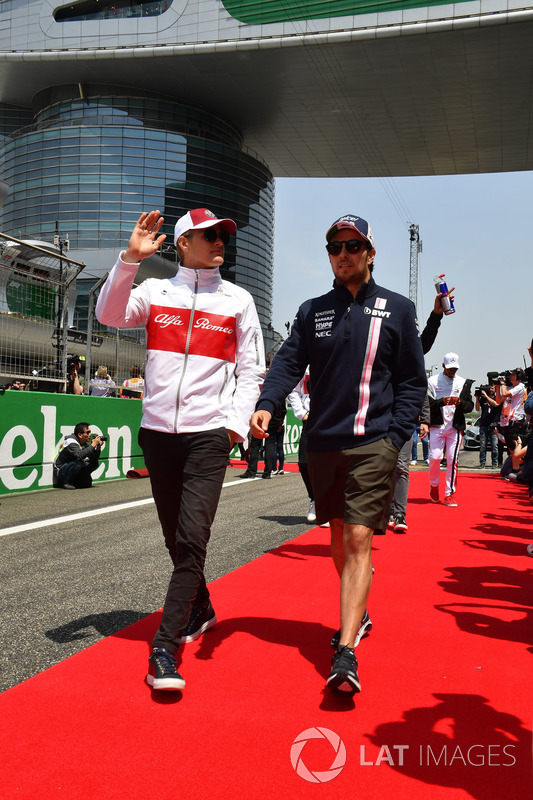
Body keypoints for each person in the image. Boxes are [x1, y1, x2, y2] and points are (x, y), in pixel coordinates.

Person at [250, 213, 427, 696]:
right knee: (338, 536)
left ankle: (345, 651)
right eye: (335, 247)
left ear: (370, 252)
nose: (343, 254)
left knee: (358, 540)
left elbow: (413, 382)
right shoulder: (311, 311)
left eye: (352, 246)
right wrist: (267, 403)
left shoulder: (400, 308)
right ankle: (360, 610)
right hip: (322, 443)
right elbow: (287, 362)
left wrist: (395, 438)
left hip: (375, 444)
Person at [96, 208, 264, 692]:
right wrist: (130, 259)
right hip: (157, 434)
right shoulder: (154, 290)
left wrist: (232, 427)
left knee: (192, 539)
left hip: (208, 435)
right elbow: (109, 314)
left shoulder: (238, 299)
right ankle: (202, 605)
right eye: (209, 236)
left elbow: (253, 369)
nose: (220, 243)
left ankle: (165, 649)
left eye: (223, 236)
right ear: (184, 242)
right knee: (176, 540)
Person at [428, 352, 474, 506]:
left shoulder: (463, 383)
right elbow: (426, 404)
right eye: (449, 368)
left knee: (452, 460)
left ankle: (449, 493)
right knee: (434, 458)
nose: (452, 371)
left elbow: (469, 406)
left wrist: (460, 403)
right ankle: (434, 485)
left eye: (454, 368)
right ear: (442, 366)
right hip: (437, 426)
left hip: (455, 427)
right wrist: (441, 401)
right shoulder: (433, 381)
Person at [53, 422, 104, 489]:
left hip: (73, 466)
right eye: (87, 433)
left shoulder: (85, 443)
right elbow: (80, 455)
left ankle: (75, 480)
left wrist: (98, 448)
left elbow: (93, 458)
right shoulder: (71, 442)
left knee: (94, 463)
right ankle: (66, 482)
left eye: (90, 432)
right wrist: (93, 444)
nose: (90, 435)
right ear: (80, 435)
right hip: (61, 470)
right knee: (78, 462)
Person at [495, 368, 527, 455]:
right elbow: (498, 401)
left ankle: (516, 467)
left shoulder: (520, 386)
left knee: (515, 447)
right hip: (506, 421)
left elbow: (505, 393)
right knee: (510, 449)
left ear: (519, 376)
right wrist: (498, 387)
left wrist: (503, 384)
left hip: (515, 422)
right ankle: (514, 466)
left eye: (512, 375)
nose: (510, 376)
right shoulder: (509, 387)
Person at [475, 384, 501, 468]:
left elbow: (495, 404)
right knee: (483, 445)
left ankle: (494, 463)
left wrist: (486, 396)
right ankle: (482, 463)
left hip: (494, 425)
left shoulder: (497, 398)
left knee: (494, 446)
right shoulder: (483, 399)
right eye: (489, 388)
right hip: (484, 424)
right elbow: (478, 409)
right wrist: (477, 399)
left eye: (493, 388)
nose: (491, 389)